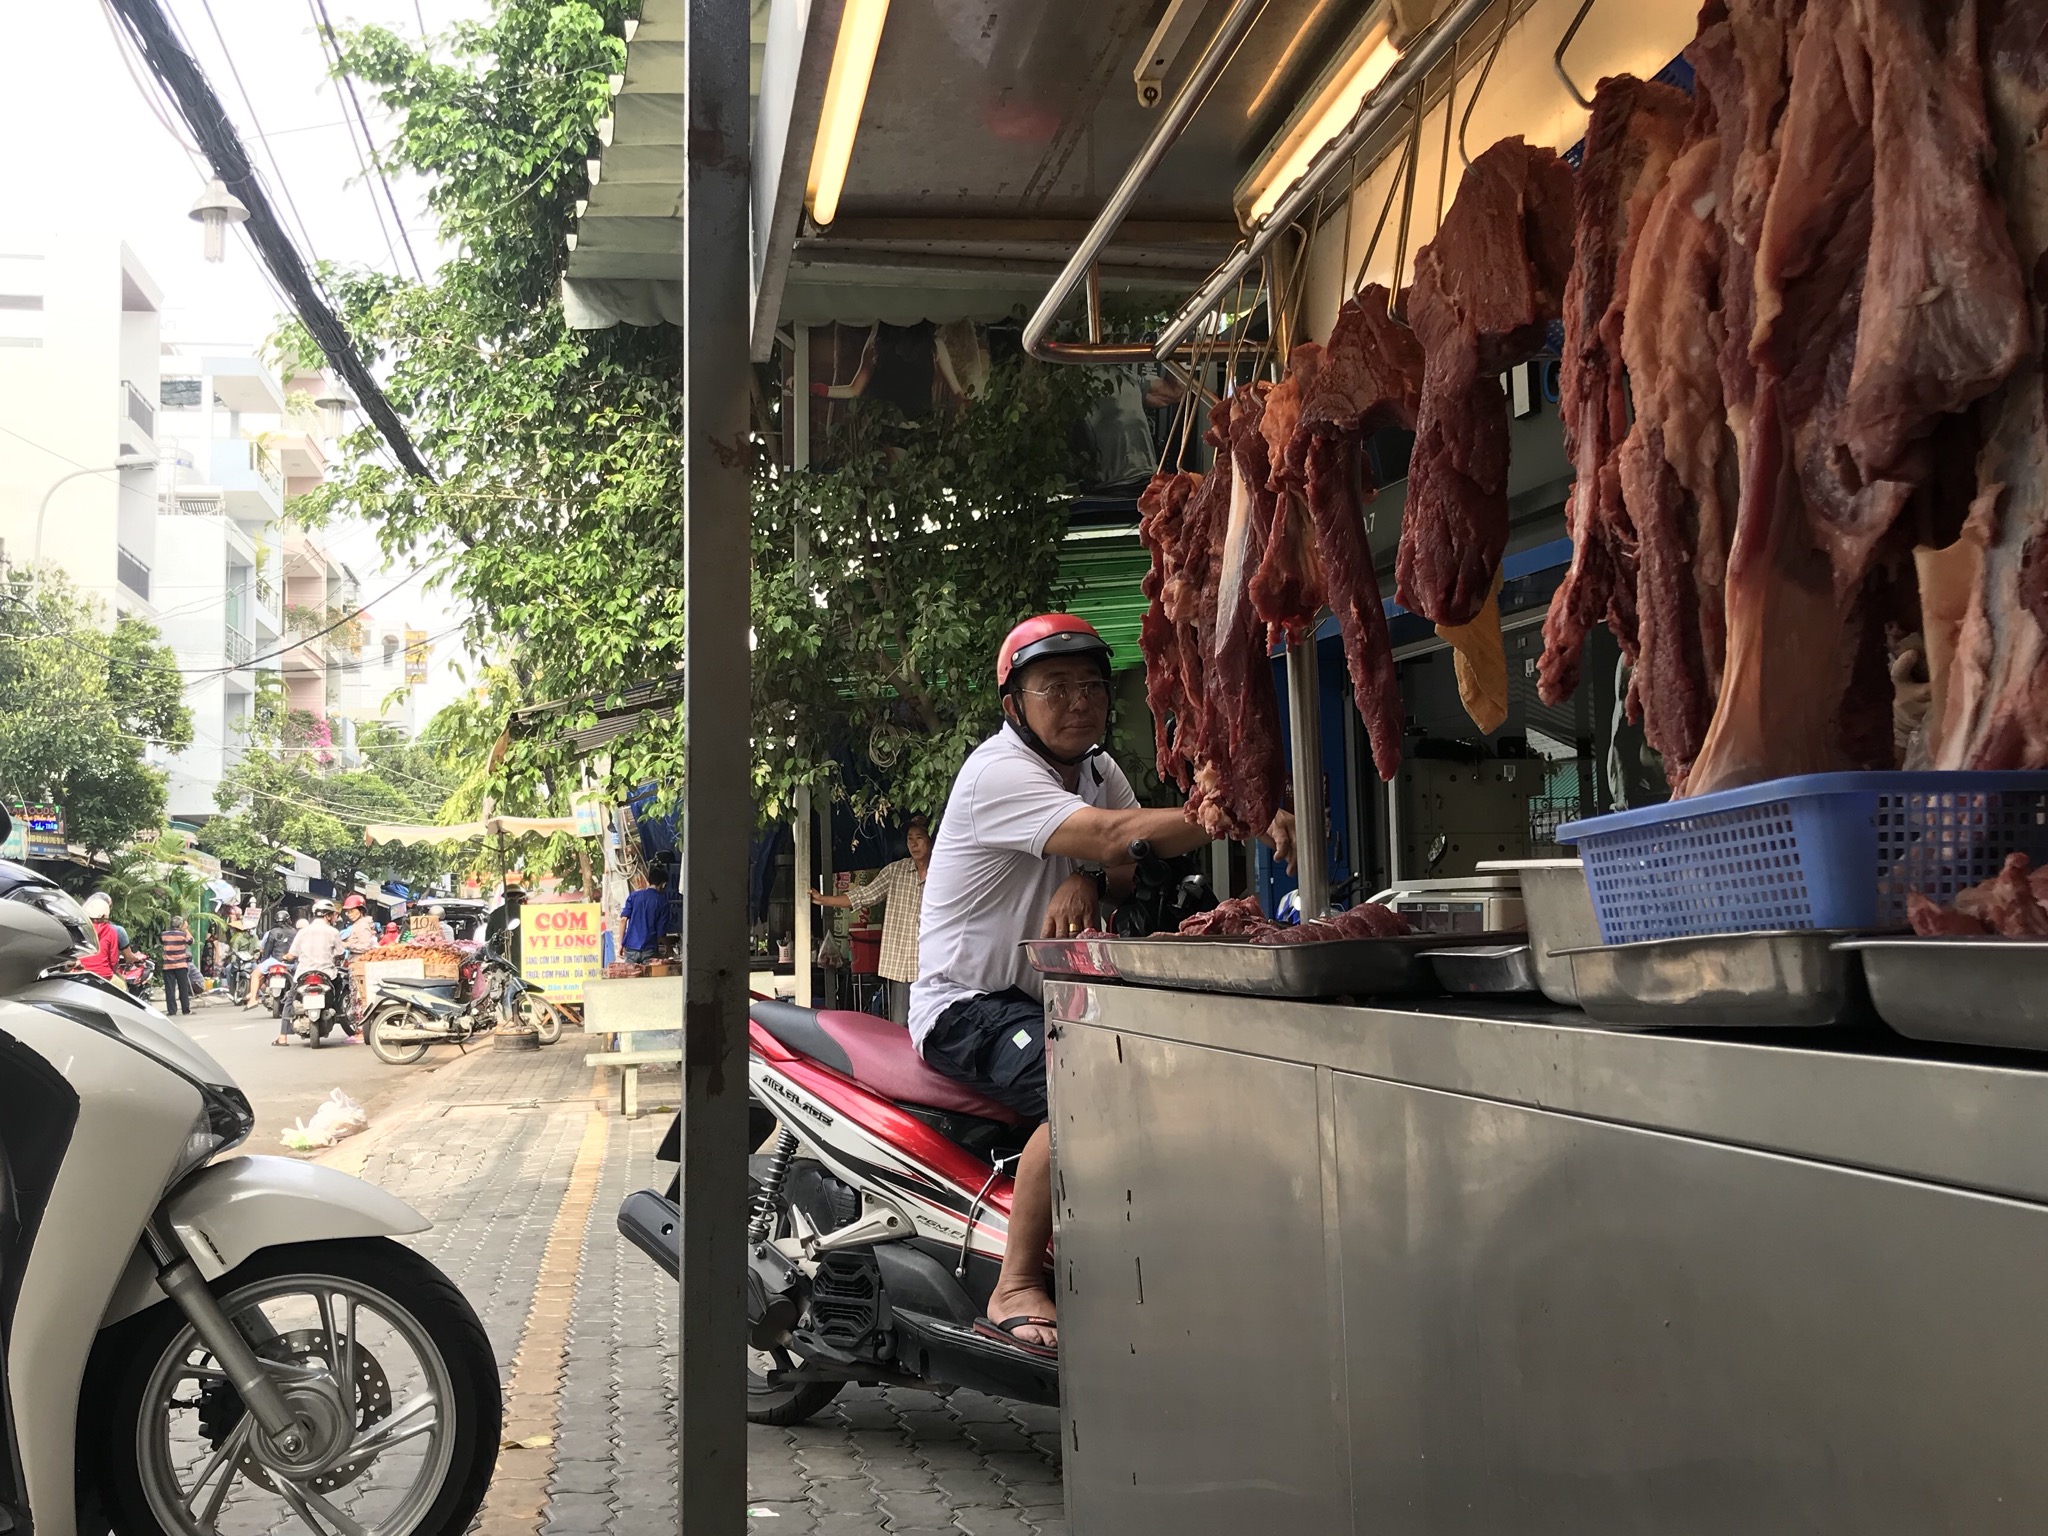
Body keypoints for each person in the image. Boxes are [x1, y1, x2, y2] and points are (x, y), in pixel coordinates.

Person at [912, 614, 1292, 1358]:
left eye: (1090, 686)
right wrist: (1237, 808)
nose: (1079, 702)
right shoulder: (998, 772)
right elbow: (1114, 835)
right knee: (1084, 1090)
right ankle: (1015, 1284)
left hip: (1046, 999)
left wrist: (1088, 874)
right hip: (967, 1005)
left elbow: (1123, 856)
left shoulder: (1094, 769)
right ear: (1014, 705)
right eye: (1055, 688)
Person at [812, 814, 932, 1026]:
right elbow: (863, 896)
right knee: (899, 1025)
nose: (913, 844)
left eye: (919, 838)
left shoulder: (943, 872)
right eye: (910, 839)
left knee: (931, 1024)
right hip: (902, 963)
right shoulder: (896, 871)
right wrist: (824, 900)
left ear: (931, 840)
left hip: (933, 964)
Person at [277, 903, 347, 1046]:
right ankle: (337, 1010)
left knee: (290, 1000)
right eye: (333, 915)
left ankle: (282, 1037)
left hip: (303, 973)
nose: (334, 918)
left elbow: (292, 954)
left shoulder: (303, 932)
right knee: (339, 986)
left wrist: (285, 957)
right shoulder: (333, 932)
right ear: (327, 916)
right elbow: (340, 952)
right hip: (327, 973)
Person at [245, 907, 297, 1009]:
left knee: (255, 974)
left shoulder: (272, 932)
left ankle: (252, 999)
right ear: (288, 920)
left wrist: (263, 962)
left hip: (275, 961)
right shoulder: (294, 932)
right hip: (290, 963)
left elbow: (268, 949)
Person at [618, 867, 669, 963]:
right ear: (663, 885)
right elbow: (660, 933)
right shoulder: (662, 902)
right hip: (649, 950)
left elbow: (623, 920)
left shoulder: (634, 896)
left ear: (649, 881)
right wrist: (668, 947)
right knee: (648, 973)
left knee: (631, 972)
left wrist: (621, 943)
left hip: (631, 947)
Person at [79, 891, 121, 981]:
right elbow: (114, 960)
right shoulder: (111, 931)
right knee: (121, 985)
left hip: (80, 973)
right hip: (104, 976)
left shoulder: (80, 929)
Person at [159, 915, 195, 1017]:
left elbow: (162, 941)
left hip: (168, 966)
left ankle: (172, 1011)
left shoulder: (164, 934)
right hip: (181, 965)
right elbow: (191, 941)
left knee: (170, 989)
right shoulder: (183, 934)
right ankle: (185, 1010)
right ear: (180, 925)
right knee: (183, 988)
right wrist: (186, 929)